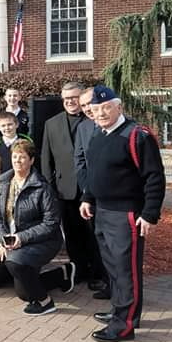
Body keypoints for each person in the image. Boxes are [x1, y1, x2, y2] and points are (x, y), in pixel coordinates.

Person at [80, 86, 165, 342]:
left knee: (127, 272)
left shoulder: (137, 136)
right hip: (102, 212)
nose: (102, 113)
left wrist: (149, 214)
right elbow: (94, 173)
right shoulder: (98, 135)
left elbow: (154, 177)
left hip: (126, 214)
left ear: (119, 107)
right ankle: (121, 312)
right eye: (96, 110)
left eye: (107, 107)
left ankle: (124, 327)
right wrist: (87, 197)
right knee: (114, 269)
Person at [0, 139, 76, 315]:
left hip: (42, 241)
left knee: (22, 285)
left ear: (32, 160)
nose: (18, 161)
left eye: (23, 157)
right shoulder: (3, 182)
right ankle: (60, 275)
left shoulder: (42, 187)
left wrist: (21, 238)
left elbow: (50, 223)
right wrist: (5, 240)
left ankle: (45, 301)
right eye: (15, 156)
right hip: (11, 242)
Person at [41, 81, 101, 286]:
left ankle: (98, 273)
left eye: (74, 99)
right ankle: (79, 269)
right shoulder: (52, 123)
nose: (70, 103)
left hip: (91, 189)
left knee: (92, 233)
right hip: (63, 190)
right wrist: (50, 189)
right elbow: (46, 159)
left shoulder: (95, 118)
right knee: (73, 234)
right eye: (66, 99)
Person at [74, 87, 109, 299]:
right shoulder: (83, 128)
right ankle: (107, 282)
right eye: (84, 105)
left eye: (90, 104)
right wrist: (89, 191)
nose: (87, 109)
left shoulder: (117, 126)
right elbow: (79, 161)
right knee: (99, 241)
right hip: (92, 196)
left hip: (116, 199)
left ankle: (120, 288)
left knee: (116, 246)